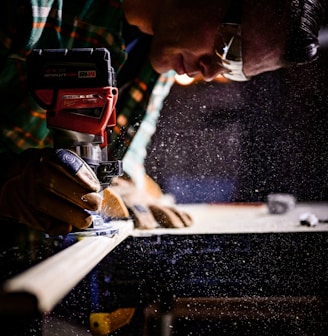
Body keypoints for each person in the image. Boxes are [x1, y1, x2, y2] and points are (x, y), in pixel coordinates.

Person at [0, 0, 326, 234]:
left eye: (235, 69)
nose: (210, 73)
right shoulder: (33, 9)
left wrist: (126, 192)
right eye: (230, 49)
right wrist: (5, 182)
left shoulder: (162, 58)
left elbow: (127, 161)